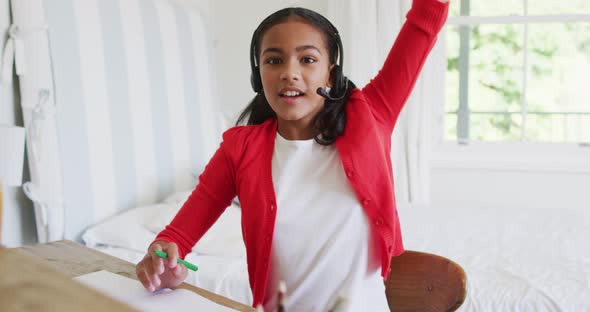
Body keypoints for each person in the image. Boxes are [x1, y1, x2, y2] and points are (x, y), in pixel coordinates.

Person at [135, 0, 449, 310]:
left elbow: (423, 25)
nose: (290, 73)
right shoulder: (239, 149)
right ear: (258, 76)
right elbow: (176, 237)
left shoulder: (371, 115)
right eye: (274, 61)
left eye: (308, 59)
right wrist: (162, 264)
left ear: (330, 74)